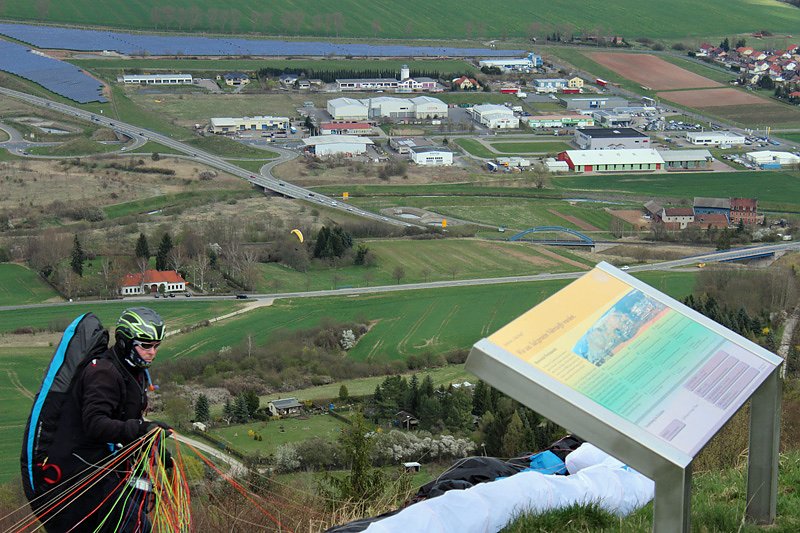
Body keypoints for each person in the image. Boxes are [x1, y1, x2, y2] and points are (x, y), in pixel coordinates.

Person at [29, 307, 171, 532]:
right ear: (125, 342)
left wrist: (154, 447)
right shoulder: (103, 373)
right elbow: (96, 425)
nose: (152, 352)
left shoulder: (130, 371)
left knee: (138, 523)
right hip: (77, 477)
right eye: (145, 345)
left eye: (156, 346)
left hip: (100, 470)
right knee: (134, 527)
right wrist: (141, 429)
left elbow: (122, 423)